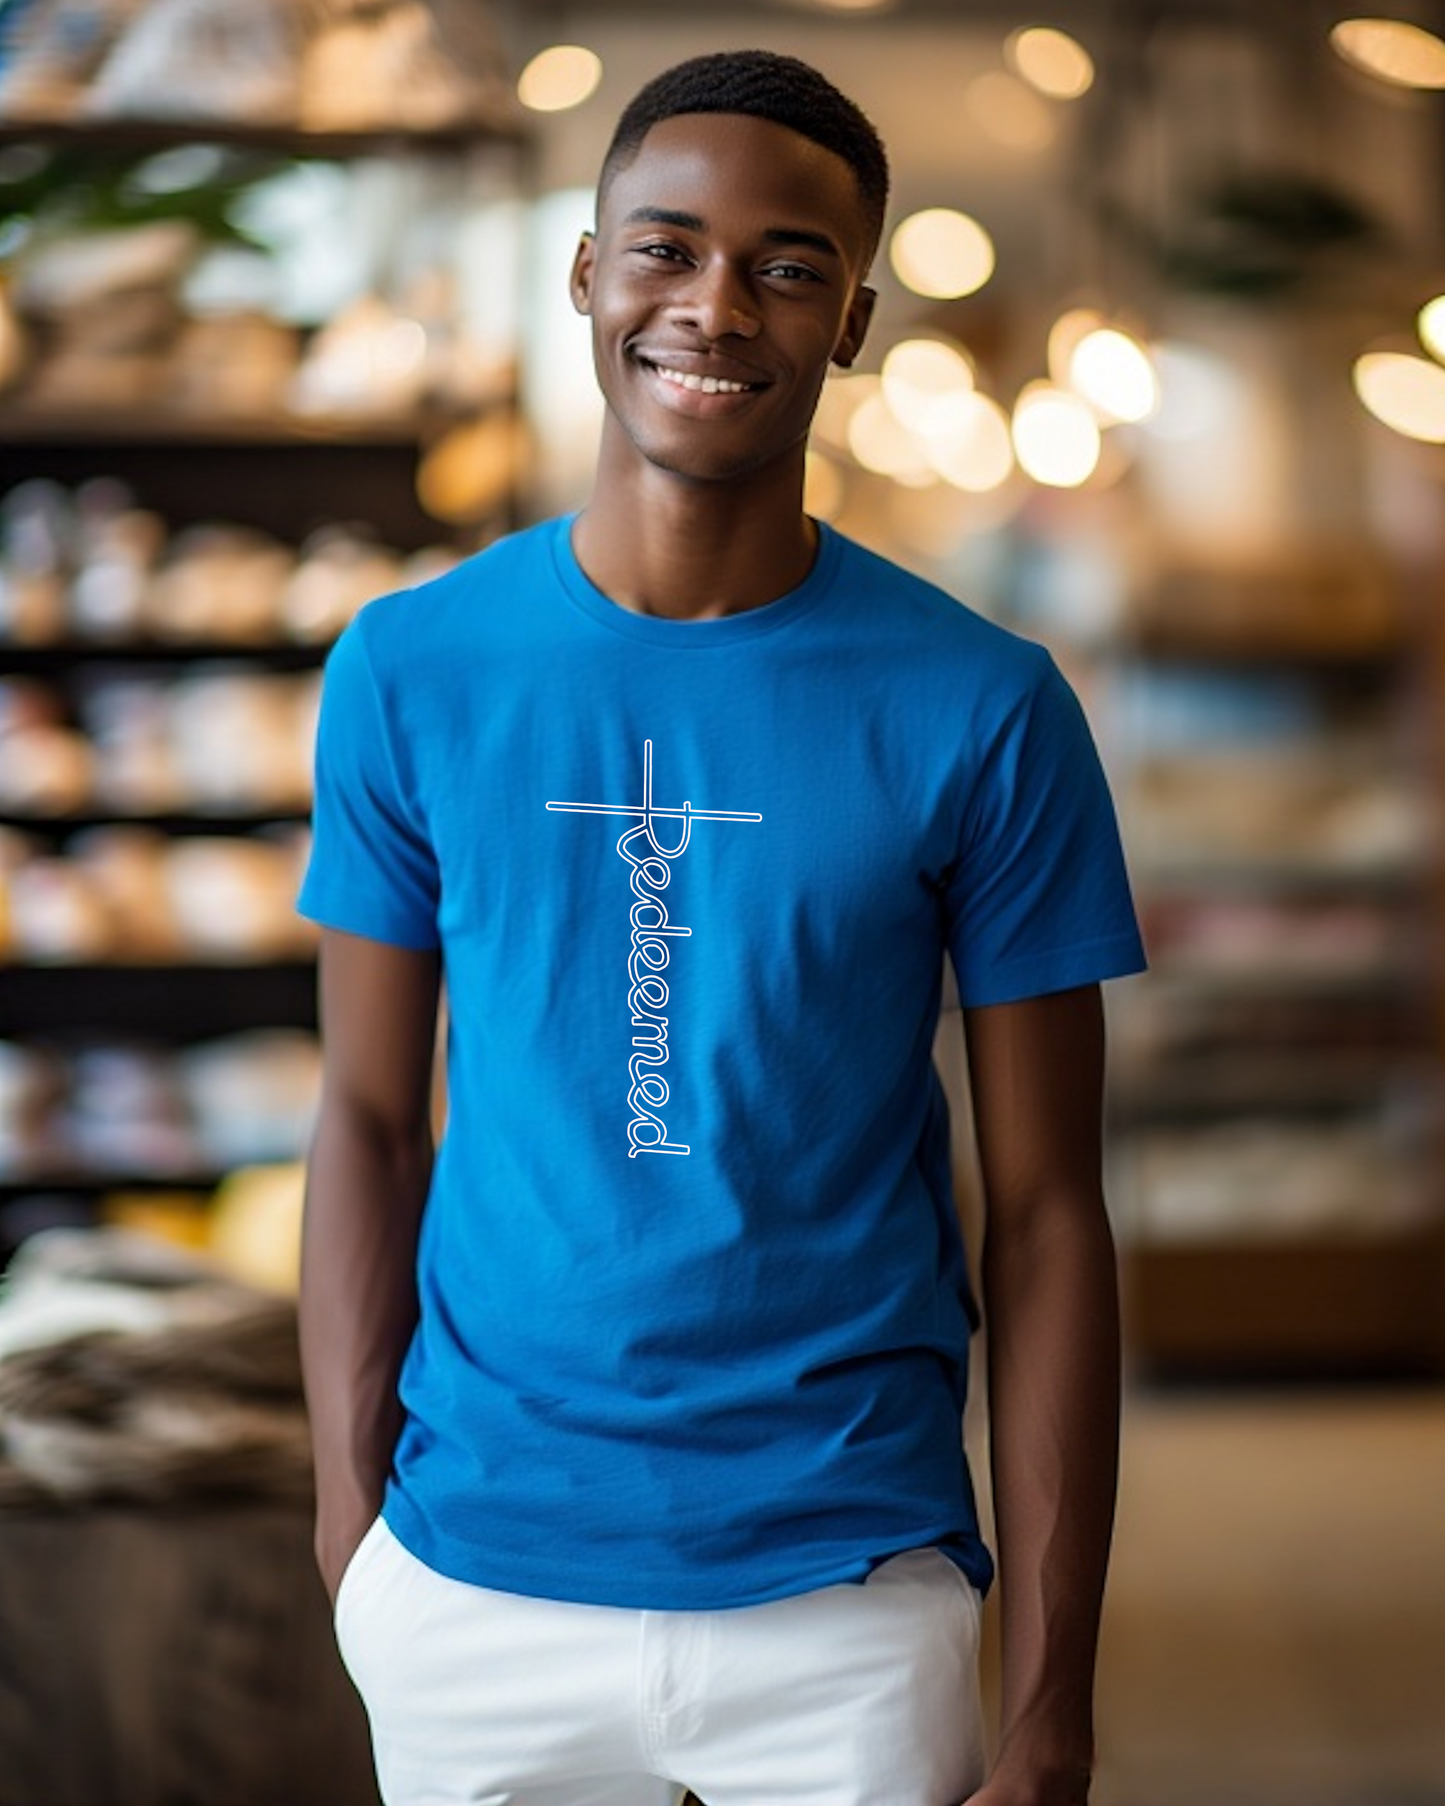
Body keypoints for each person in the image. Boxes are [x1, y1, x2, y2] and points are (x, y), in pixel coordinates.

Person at [297, 46, 1147, 1806]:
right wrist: (351, 1540)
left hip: (846, 1582)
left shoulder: (983, 707)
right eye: (666, 249)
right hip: (473, 1579)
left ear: (850, 319)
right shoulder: (410, 668)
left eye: (786, 264)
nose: (715, 304)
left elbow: (1054, 1206)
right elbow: (369, 1121)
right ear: (588, 275)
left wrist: (1054, 1693)